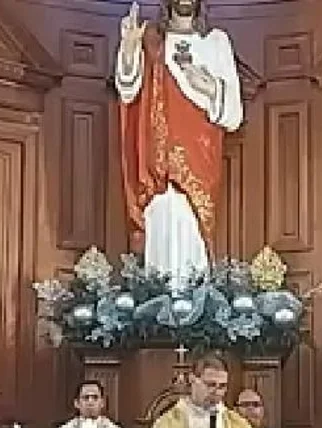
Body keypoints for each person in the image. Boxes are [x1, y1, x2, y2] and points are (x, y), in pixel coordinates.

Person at [116, 0, 243, 286]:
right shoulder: (151, 39)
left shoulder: (216, 42)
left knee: (191, 228)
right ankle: (157, 307)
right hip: (156, 159)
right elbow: (127, 89)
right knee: (160, 223)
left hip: (199, 156)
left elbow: (234, 114)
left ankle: (195, 304)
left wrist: (210, 88)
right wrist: (129, 46)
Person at [140, 354, 268, 428]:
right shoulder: (169, 423)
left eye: (222, 386)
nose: (217, 392)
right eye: (210, 385)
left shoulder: (237, 425)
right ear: (192, 379)